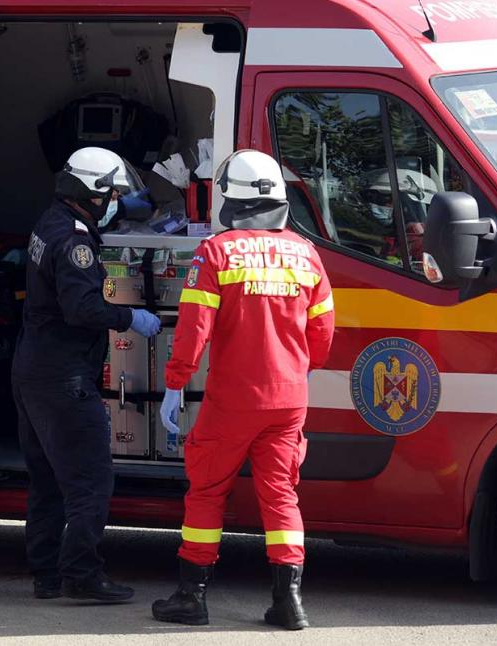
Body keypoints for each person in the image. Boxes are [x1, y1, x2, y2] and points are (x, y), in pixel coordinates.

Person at [151, 149, 335, 629]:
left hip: (234, 398)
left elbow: (193, 330)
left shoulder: (216, 251)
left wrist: (175, 384)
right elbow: (323, 336)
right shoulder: (306, 253)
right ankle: (289, 602)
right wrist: (298, 371)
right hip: (289, 399)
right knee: (281, 494)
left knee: (208, 490)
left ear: (228, 197)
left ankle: (192, 597)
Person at [12, 147, 161, 602]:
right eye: (112, 193)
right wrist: (130, 318)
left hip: (33, 368)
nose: (115, 199)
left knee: (46, 479)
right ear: (94, 194)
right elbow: (82, 309)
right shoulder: (75, 242)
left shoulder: (50, 220)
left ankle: (46, 573)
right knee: (90, 480)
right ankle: (81, 573)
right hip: (63, 377)